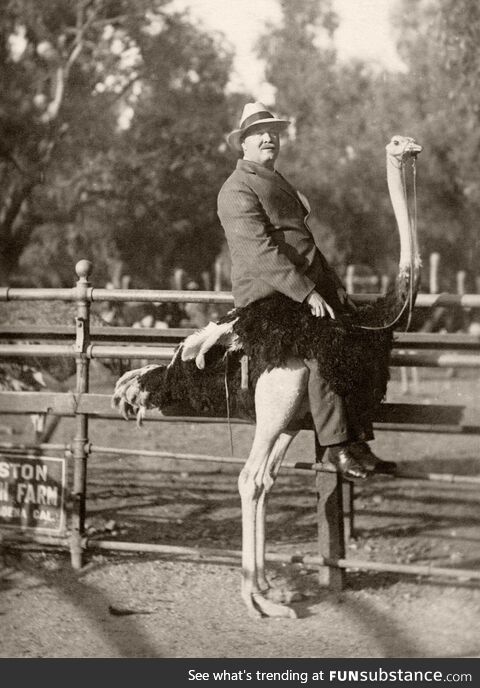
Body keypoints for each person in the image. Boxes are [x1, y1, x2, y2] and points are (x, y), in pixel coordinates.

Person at [217, 102, 396, 478]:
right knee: (325, 340)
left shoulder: (279, 183)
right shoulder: (235, 190)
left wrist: (335, 289)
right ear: (243, 144)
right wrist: (307, 293)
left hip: (298, 293)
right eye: (258, 133)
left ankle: (356, 439)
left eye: (273, 132)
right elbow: (259, 252)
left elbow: (306, 247)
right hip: (266, 298)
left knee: (365, 335)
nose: (269, 138)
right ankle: (333, 446)